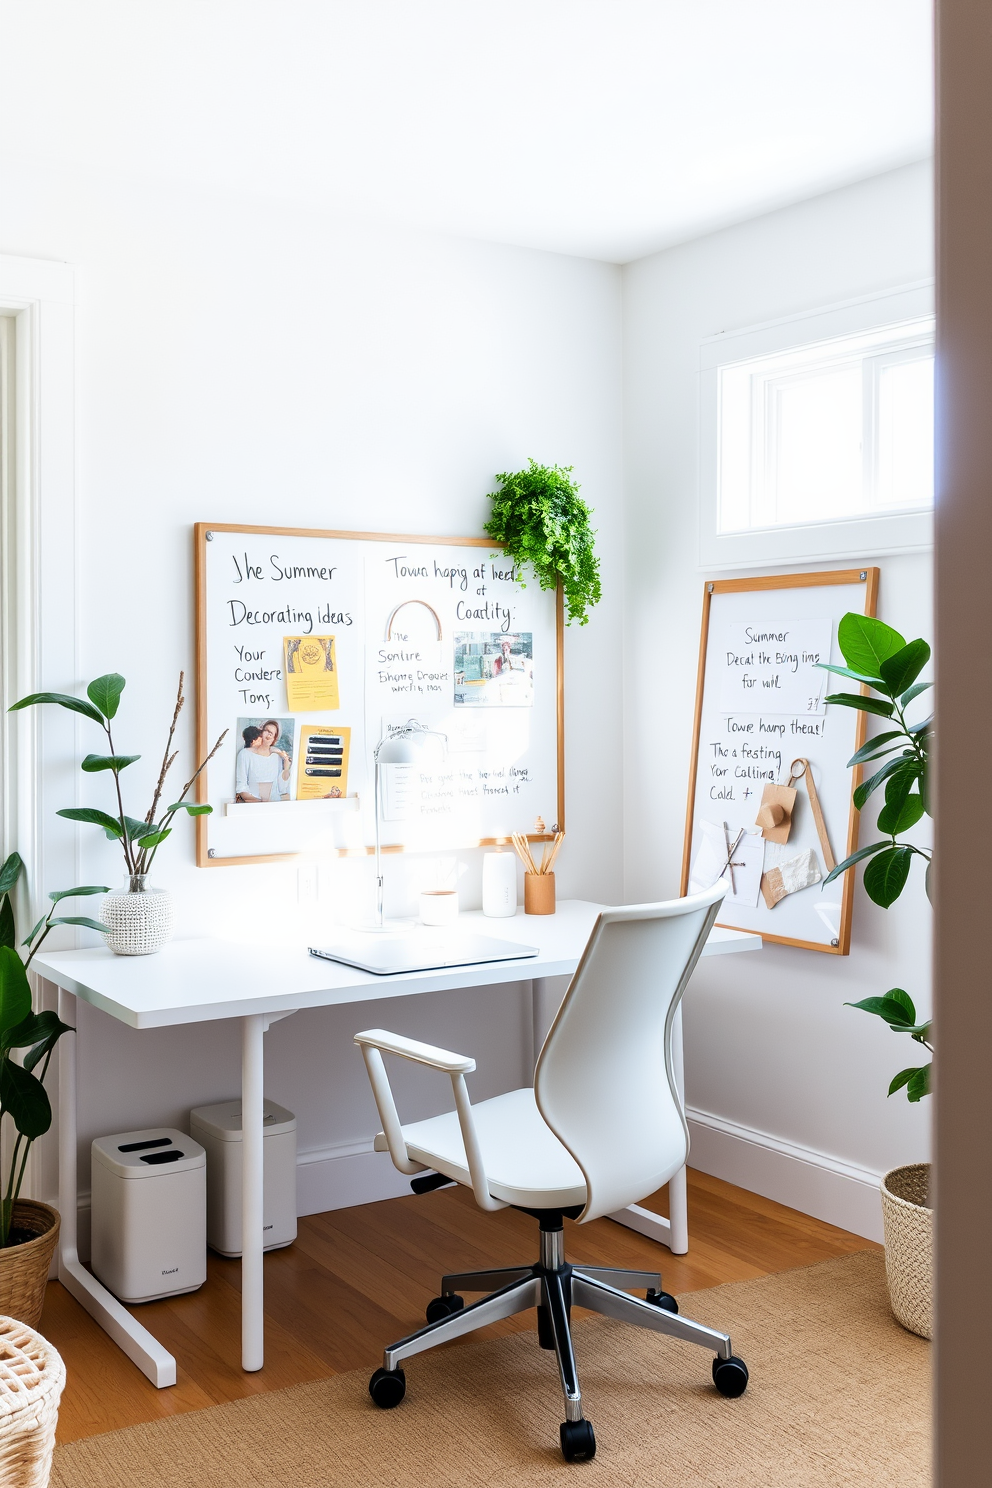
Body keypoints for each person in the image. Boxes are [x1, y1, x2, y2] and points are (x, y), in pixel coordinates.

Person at [236, 720, 292, 802]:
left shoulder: (277, 756)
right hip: (253, 806)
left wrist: (286, 768)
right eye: (267, 731)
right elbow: (241, 786)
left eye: (272, 733)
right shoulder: (245, 754)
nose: (269, 735)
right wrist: (259, 803)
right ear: (261, 732)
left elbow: (282, 788)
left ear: (275, 738)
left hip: (274, 805)